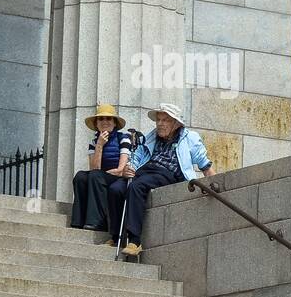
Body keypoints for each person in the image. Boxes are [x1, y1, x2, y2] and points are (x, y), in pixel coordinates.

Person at [106, 102, 215, 257]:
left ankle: (135, 241)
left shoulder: (190, 137)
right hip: (144, 171)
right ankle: (116, 236)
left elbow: (205, 165)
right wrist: (128, 169)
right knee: (115, 189)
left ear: (176, 124)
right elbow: (137, 157)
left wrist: (213, 185)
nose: (160, 124)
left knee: (136, 186)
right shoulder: (151, 136)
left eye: (165, 120)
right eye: (158, 120)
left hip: (168, 174)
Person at [71, 104, 133, 230]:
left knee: (96, 176)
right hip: (101, 176)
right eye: (101, 119)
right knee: (80, 176)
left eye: (109, 119)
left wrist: (106, 173)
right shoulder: (94, 143)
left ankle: (98, 221)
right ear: (96, 124)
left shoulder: (123, 138)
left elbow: (121, 169)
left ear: (115, 123)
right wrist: (99, 145)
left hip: (118, 177)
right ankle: (78, 221)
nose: (105, 122)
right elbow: (95, 167)